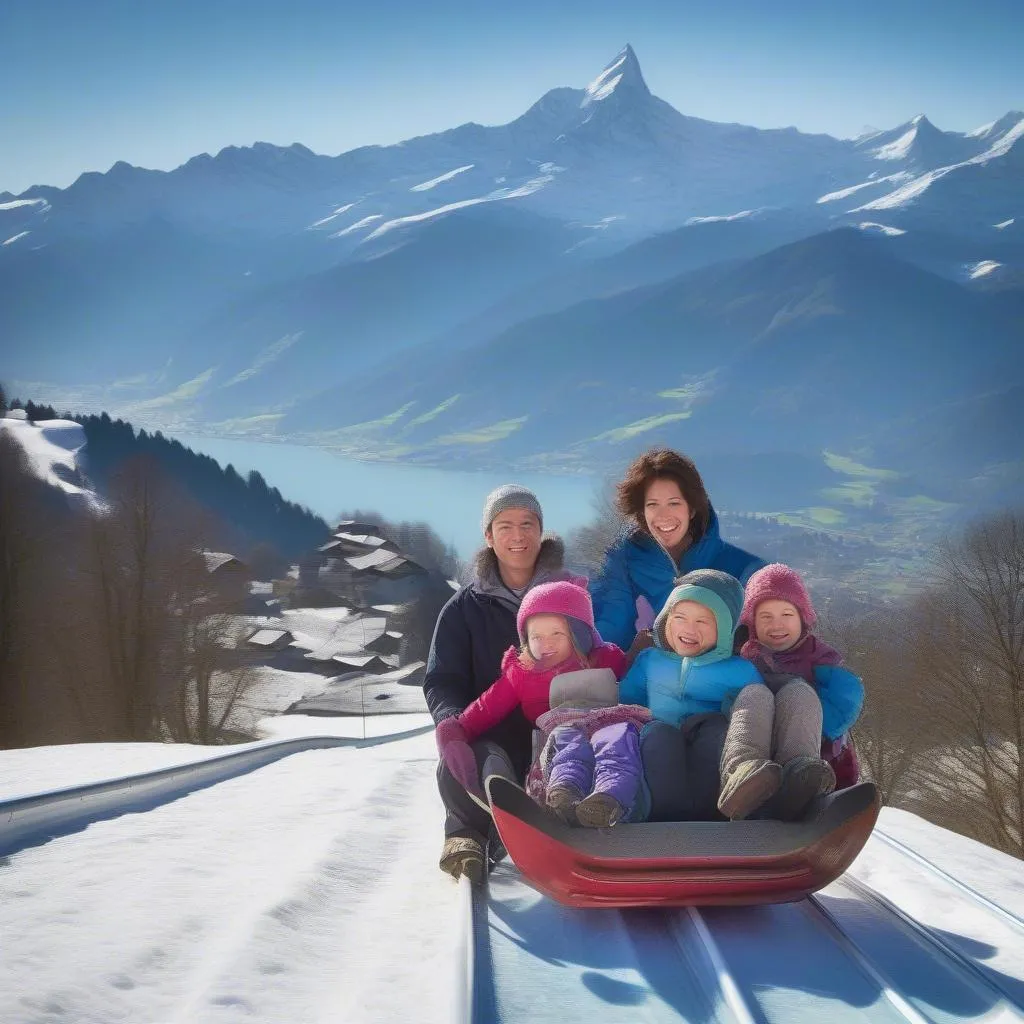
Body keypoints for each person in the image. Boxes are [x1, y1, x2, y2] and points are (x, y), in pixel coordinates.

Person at [423, 484, 577, 883]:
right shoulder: (463, 609)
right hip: (492, 732)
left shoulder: (570, 596)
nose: (518, 535)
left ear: (541, 531)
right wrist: (453, 722)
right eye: (505, 525)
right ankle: (468, 835)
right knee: (466, 762)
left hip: (563, 727)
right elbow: (443, 678)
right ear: (489, 537)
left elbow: (599, 653)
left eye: (528, 524)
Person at [437, 579, 646, 829]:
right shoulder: (521, 676)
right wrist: (454, 733)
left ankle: (609, 801)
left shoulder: (605, 659)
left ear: (579, 633)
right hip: (556, 753)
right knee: (568, 738)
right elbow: (482, 711)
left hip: (607, 744)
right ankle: (563, 797)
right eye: (536, 636)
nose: (546, 644)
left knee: (618, 735)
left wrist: (640, 652)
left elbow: (636, 679)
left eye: (557, 633)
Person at [719, 563, 865, 820]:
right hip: (756, 738)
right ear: (752, 624)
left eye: (786, 615)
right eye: (765, 617)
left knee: (799, 694)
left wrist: (803, 724)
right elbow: (724, 695)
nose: (777, 625)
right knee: (755, 694)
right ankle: (742, 776)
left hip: (812, 744)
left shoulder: (820, 661)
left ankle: (799, 778)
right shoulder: (742, 662)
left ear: (803, 619)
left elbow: (846, 697)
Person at [618, 569, 764, 821]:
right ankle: (666, 813)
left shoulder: (740, 670)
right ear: (666, 619)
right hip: (661, 730)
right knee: (656, 734)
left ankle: (710, 812)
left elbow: (754, 712)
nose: (689, 629)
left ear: (724, 629)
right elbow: (628, 700)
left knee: (717, 732)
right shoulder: (650, 660)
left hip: (708, 734)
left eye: (703, 622)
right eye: (680, 618)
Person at [591, 449, 766, 656]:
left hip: (715, 684)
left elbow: (764, 641)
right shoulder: (623, 560)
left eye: (674, 503)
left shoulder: (745, 569)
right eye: (652, 505)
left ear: (691, 508)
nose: (663, 516)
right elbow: (609, 624)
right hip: (644, 679)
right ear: (642, 511)